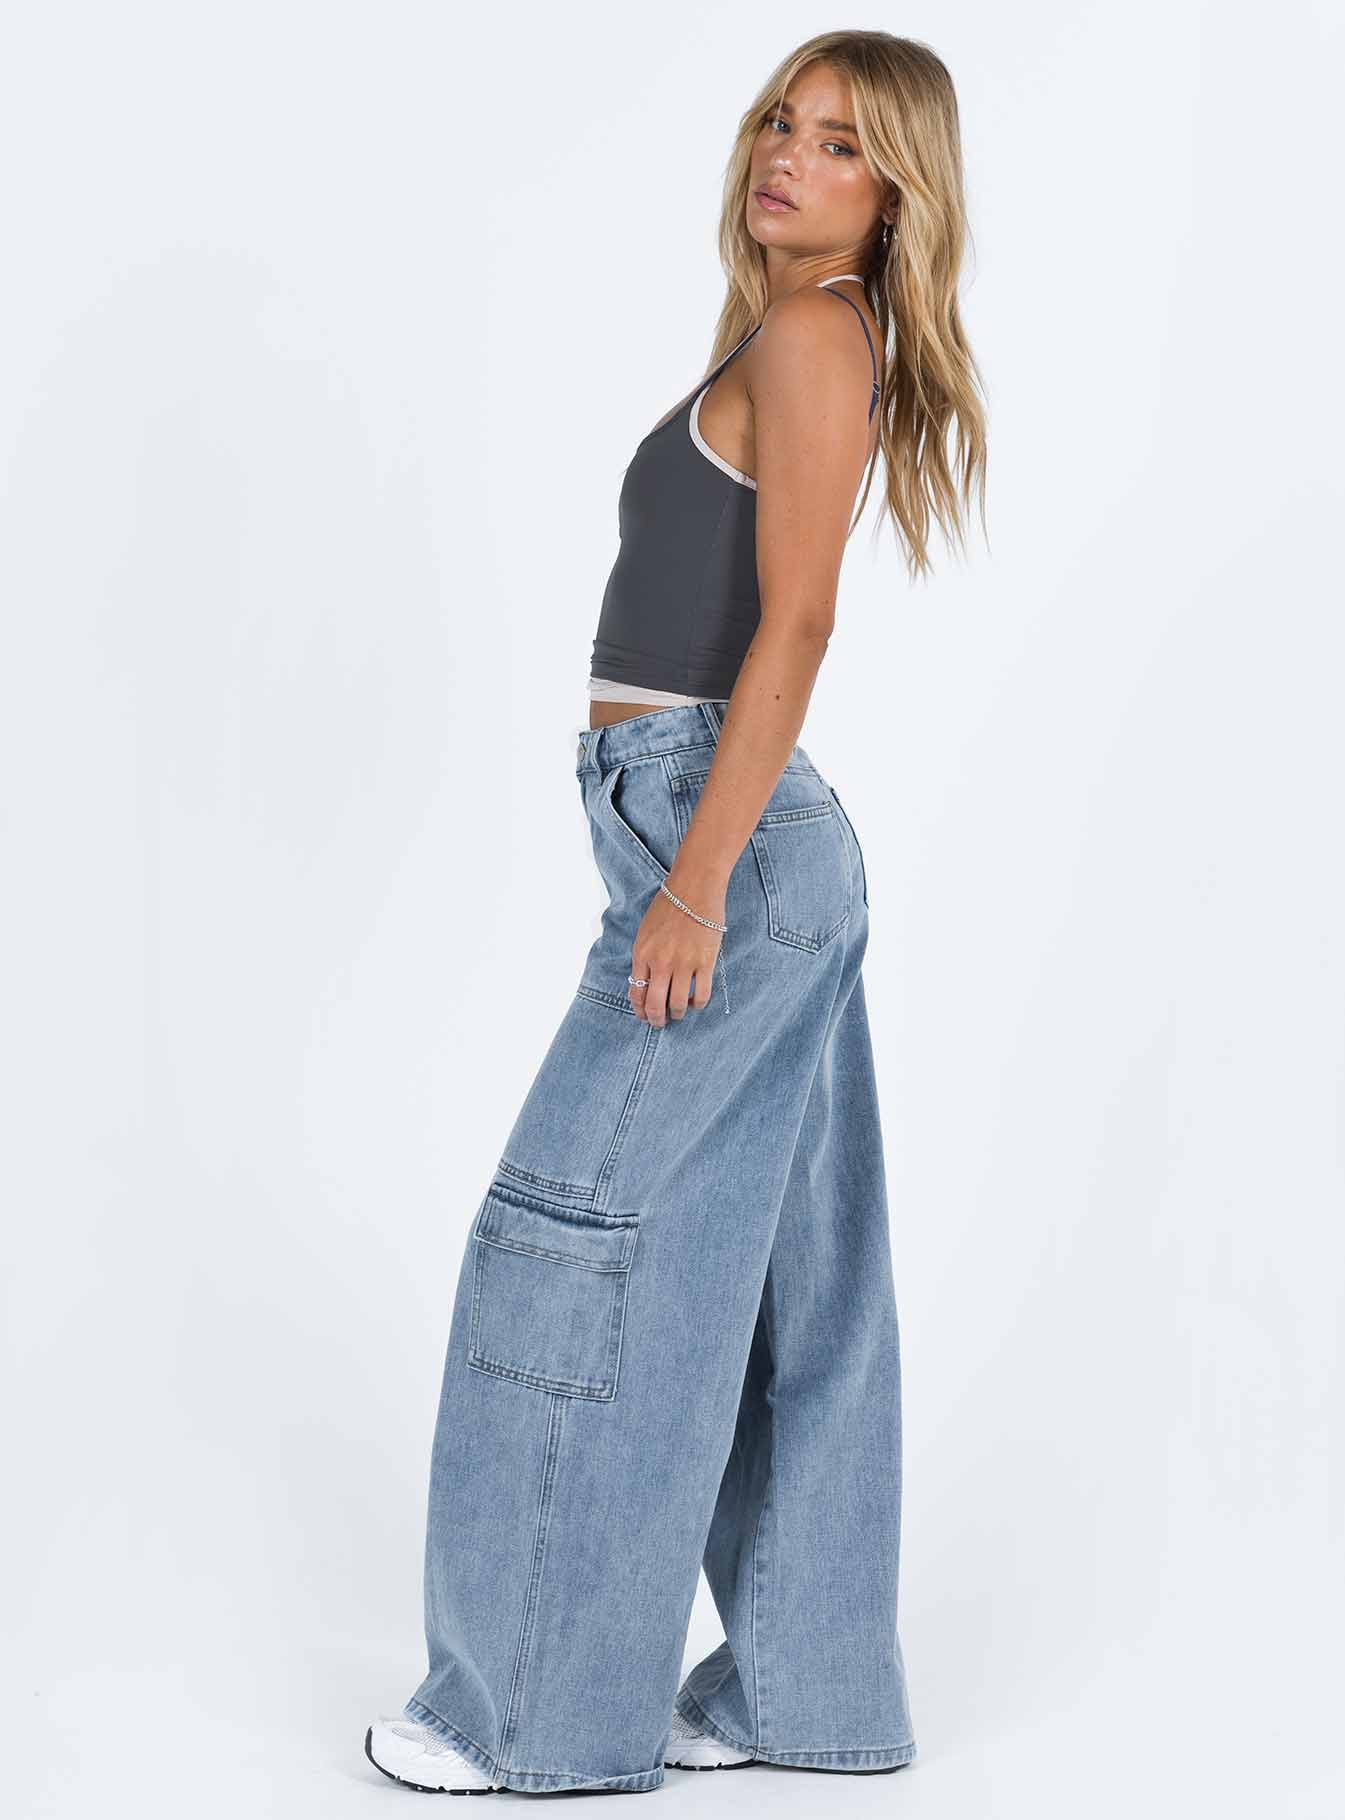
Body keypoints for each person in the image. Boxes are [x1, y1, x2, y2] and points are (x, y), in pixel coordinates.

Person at [366, 28, 986, 1796]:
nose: (789, 156)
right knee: (791, 1289)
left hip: (729, 845)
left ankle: (528, 1715)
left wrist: (694, 881)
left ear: (897, 195)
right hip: (743, 841)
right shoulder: (795, 330)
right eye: (782, 123)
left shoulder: (811, 334)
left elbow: (797, 623)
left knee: (564, 1248)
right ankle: (803, 1692)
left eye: (842, 144)